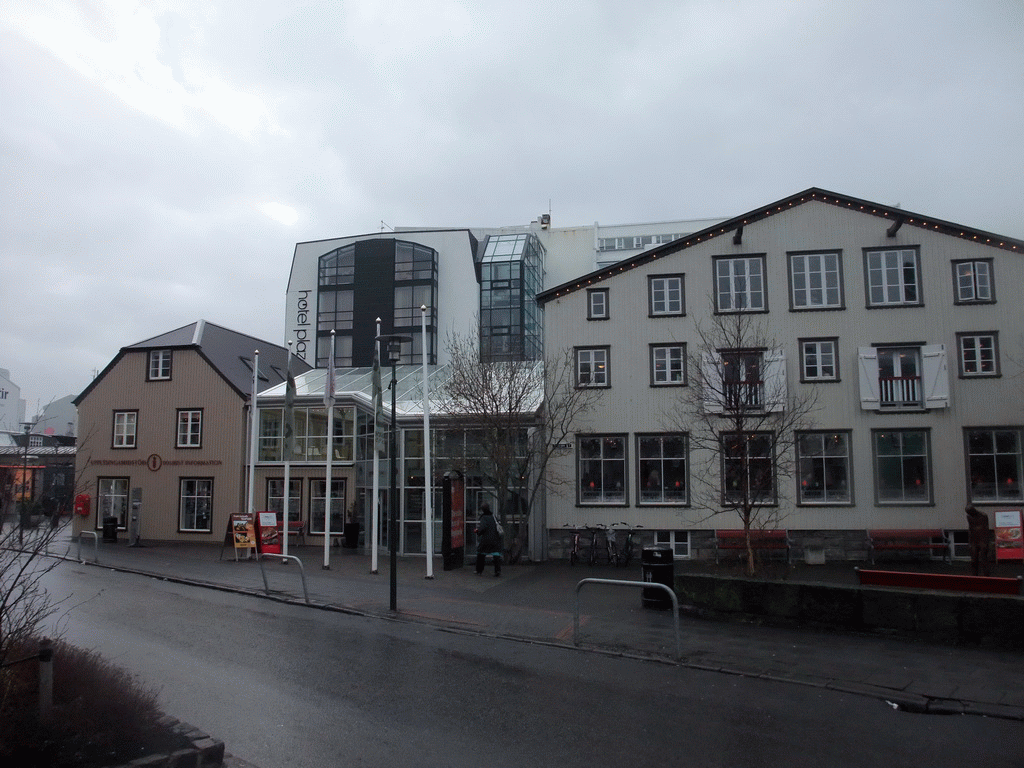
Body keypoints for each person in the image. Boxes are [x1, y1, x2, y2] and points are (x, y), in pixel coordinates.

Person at [474, 503, 502, 577]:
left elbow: (482, 528)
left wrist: (477, 531)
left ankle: (479, 570)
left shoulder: (484, 518)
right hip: (495, 539)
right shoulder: (494, 517)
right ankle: (497, 570)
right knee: (496, 555)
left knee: (480, 554)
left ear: (482, 509)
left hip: (486, 539)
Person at [965, 505, 992, 576]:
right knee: (974, 559)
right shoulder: (969, 517)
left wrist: (986, 542)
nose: (969, 514)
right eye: (968, 513)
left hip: (982, 540)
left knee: (984, 559)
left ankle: (986, 575)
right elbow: (970, 529)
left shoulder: (983, 516)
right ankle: (975, 575)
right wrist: (970, 542)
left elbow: (986, 529)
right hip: (974, 540)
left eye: (970, 512)